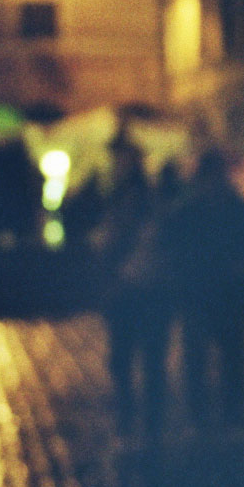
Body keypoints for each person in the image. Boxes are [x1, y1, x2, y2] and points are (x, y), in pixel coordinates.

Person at [164, 150, 244, 423]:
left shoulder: (239, 210)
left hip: (231, 297)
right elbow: (170, 246)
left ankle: (229, 413)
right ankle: (202, 416)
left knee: (233, 358)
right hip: (199, 296)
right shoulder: (188, 213)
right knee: (200, 360)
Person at [96, 136, 174, 445]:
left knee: (140, 359)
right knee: (130, 360)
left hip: (139, 290)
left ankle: (141, 425)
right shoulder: (125, 195)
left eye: (121, 158)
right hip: (135, 290)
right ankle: (138, 423)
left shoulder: (139, 198)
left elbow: (119, 241)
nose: (116, 164)